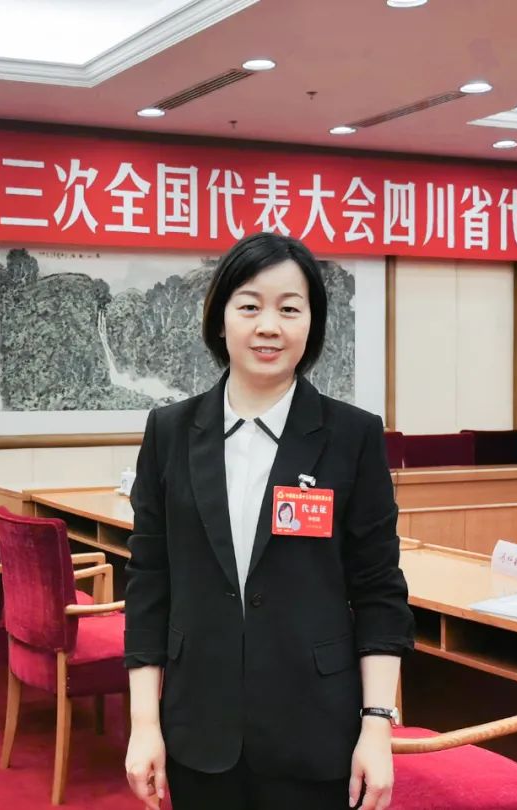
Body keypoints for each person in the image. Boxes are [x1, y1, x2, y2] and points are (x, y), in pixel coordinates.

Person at [123, 232, 414, 810]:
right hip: (199, 727)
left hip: (315, 729)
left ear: (313, 323)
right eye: (250, 306)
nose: (268, 327)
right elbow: (149, 582)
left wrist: (377, 725)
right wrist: (144, 724)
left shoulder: (352, 436)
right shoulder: (170, 432)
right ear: (220, 318)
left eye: (290, 309)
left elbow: (379, 590)